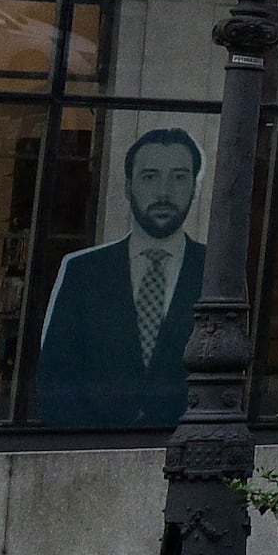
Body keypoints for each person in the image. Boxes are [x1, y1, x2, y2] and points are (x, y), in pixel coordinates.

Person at [33, 126, 205, 427]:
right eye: (150, 177)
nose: (164, 192)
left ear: (194, 186)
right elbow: (55, 378)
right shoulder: (83, 272)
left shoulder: (215, 271)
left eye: (179, 177)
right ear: (128, 186)